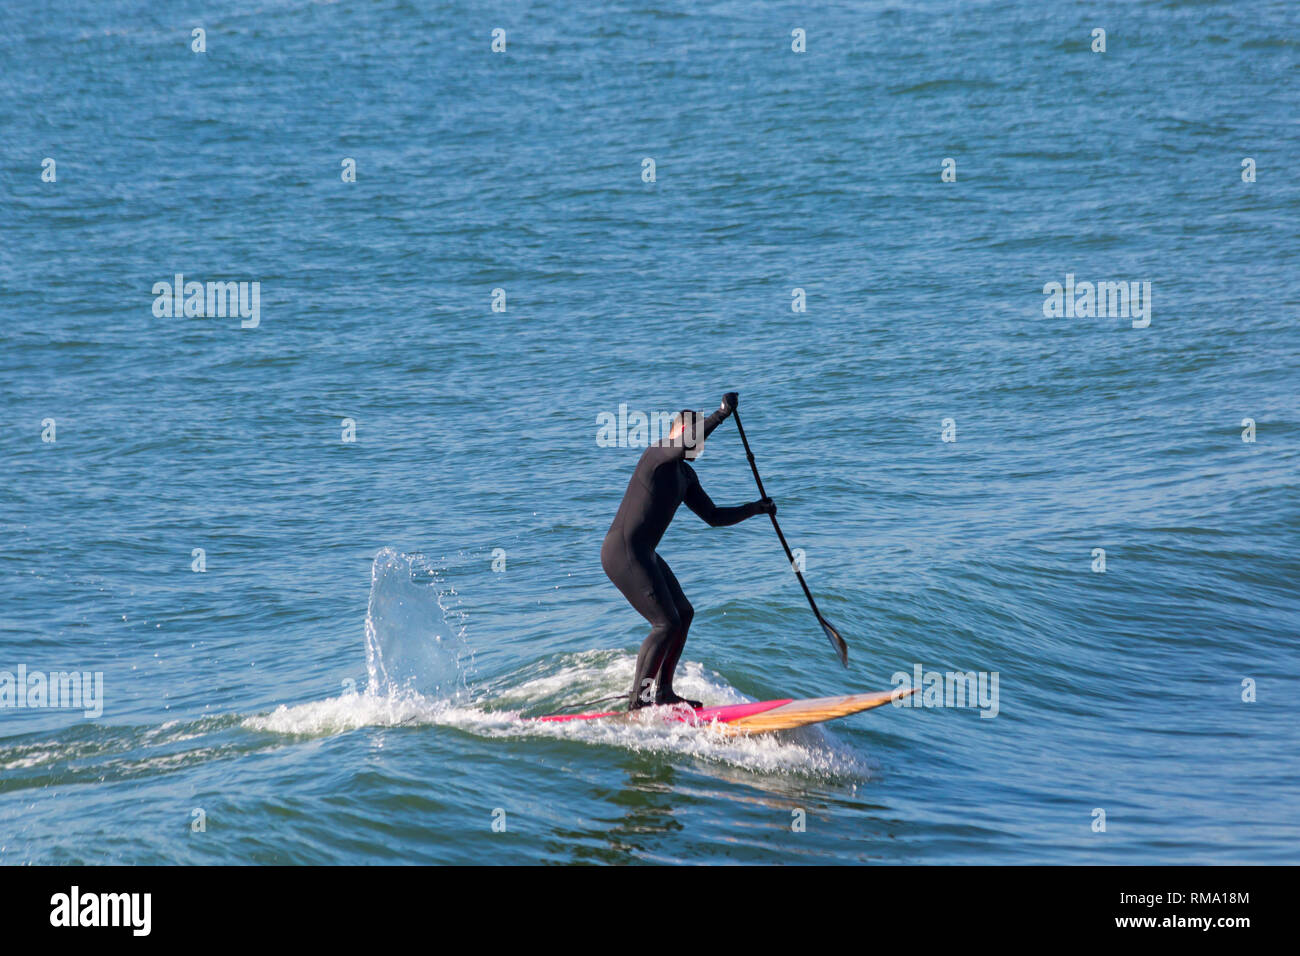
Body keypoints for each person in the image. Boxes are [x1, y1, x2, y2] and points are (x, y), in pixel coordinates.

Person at [601, 392, 776, 710]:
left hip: (645, 552)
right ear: (683, 434)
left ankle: (663, 691)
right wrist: (721, 414)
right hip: (623, 552)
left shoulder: (685, 475)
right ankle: (638, 702)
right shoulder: (656, 456)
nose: (700, 448)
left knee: (684, 613)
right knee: (665, 623)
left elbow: (713, 517)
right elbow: (683, 445)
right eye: (697, 439)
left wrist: (756, 508)